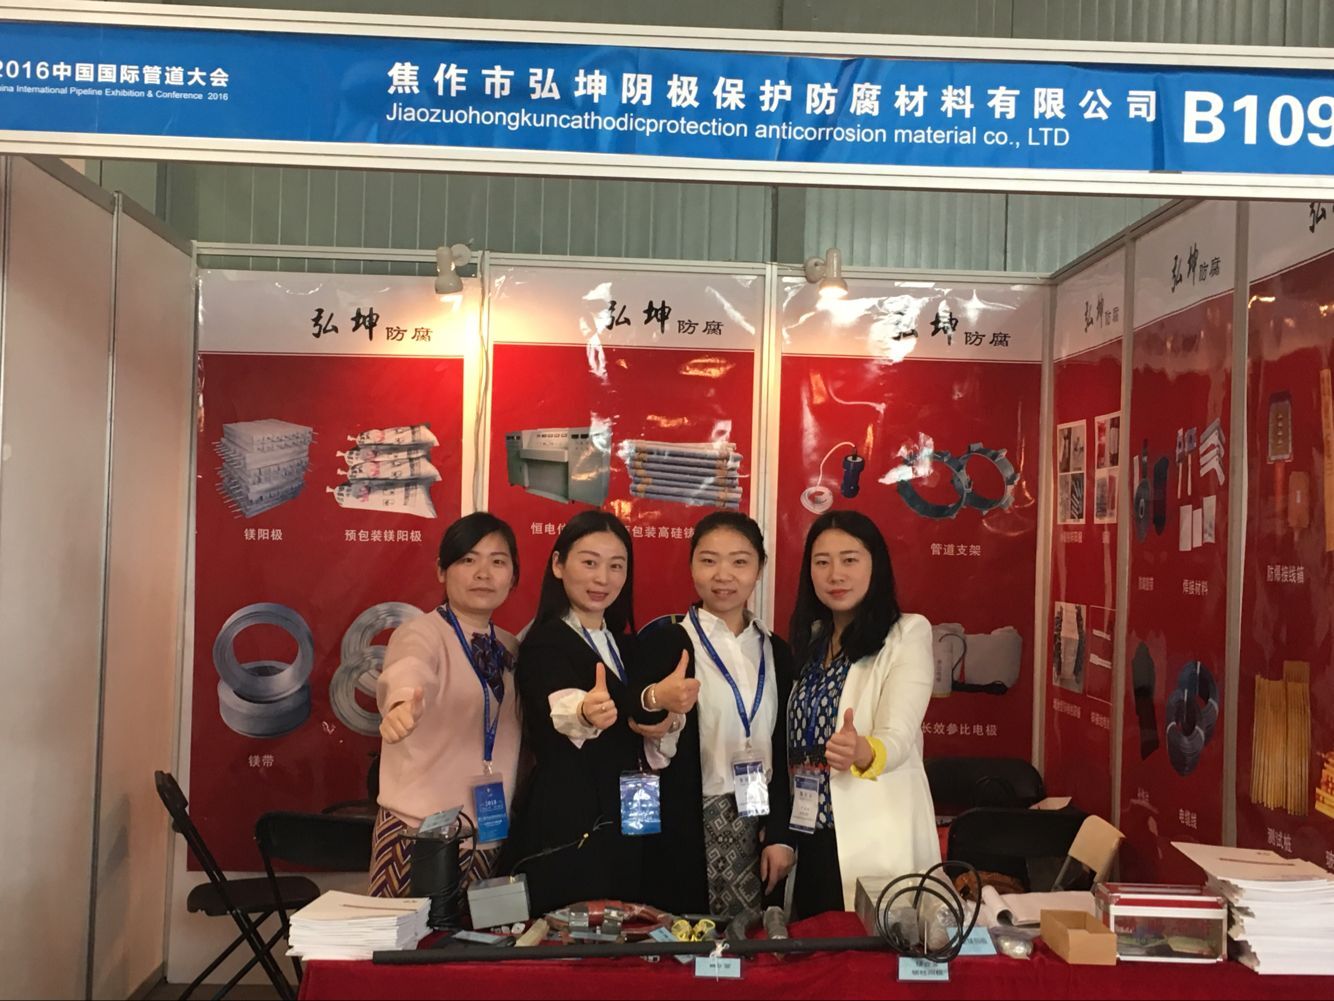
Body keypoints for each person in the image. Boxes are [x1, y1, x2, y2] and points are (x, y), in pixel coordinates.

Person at [501, 510, 698, 915]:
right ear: (558, 565)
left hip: (627, 813)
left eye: (616, 566)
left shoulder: (625, 646)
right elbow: (564, 710)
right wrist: (587, 713)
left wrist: (666, 716)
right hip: (570, 821)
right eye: (589, 562)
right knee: (572, 931)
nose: (602, 578)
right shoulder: (544, 642)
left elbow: (644, 725)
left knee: (628, 924)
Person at [639, 512, 796, 919]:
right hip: (687, 824)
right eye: (709, 560)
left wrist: (780, 834)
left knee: (752, 942)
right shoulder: (669, 643)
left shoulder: (776, 651)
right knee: (687, 941)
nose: (723, 575)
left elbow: (783, 749)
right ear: (692, 565)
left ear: (759, 568)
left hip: (756, 823)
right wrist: (658, 704)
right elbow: (643, 732)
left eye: (740, 561)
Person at [786, 509, 939, 918]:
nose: (835, 574)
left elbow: (898, 735)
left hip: (870, 835)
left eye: (850, 560)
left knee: (868, 952)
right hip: (808, 837)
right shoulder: (813, 641)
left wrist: (864, 752)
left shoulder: (906, 634)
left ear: (876, 565)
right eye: (822, 562)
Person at [370, 512, 522, 898]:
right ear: (441, 570)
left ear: (513, 576)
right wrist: (401, 704)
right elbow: (409, 668)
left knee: (478, 935)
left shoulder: (510, 647)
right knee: (406, 935)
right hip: (418, 833)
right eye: (468, 560)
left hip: (488, 834)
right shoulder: (421, 633)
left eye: (498, 561)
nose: (483, 573)